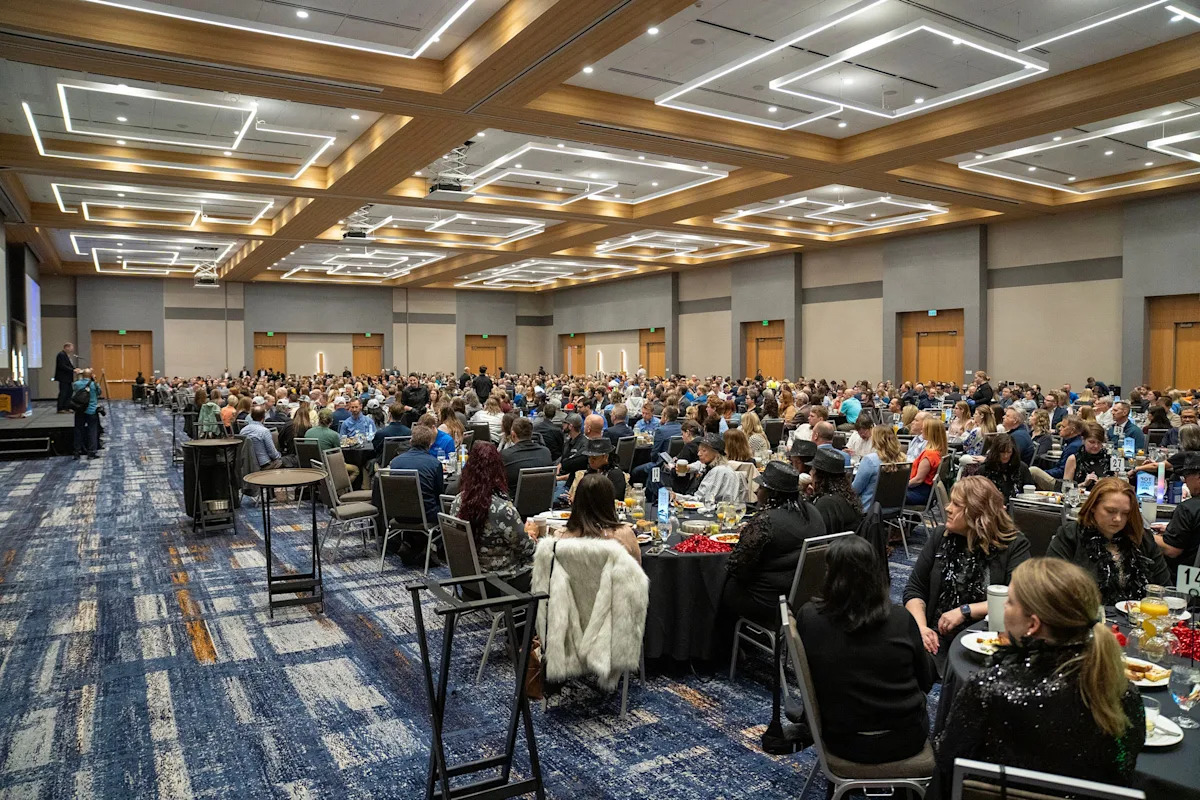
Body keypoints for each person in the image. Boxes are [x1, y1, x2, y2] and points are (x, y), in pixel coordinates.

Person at [934, 559, 1145, 788]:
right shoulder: (1122, 695)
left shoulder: (989, 690)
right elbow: (1123, 775)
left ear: (1032, 625)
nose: (1003, 607)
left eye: (1009, 602)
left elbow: (948, 765)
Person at [798, 536, 936, 764]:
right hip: (905, 740)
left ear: (830, 576)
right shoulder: (901, 619)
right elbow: (926, 681)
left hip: (842, 740)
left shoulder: (809, 617)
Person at [903, 476, 1031, 664]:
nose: (948, 508)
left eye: (956, 504)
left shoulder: (1013, 545)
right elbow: (915, 589)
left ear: (978, 512)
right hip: (936, 637)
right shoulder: (940, 537)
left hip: (986, 639)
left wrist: (965, 611)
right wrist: (921, 628)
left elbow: (1018, 599)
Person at [721, 462, 824, 631]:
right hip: (804, 595)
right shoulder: (813, 512)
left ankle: (718, 642)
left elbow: (737, 567)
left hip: (768, 600)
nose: (756, 491)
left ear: (773, 493)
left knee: (720, 584)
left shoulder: (766, 521)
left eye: (761, 487)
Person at [1046, 477, 1171, 604]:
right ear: (1093, 507)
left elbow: (1165, 591)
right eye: (1110, 511)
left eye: (1125, 513)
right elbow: (1051, 587)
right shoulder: (1070, 535)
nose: (1118, 519)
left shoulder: (1142, 539)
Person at [450, 442, 535, 589]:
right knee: (551, 561)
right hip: (502, 583)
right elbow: (527, 549)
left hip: (468, 582)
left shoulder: (457, 501)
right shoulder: (502, 510)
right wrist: (531, 534)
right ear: (499, 470)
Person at [535, 472, 641, 564]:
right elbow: (637, 573)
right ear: (610, 503)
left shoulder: (560, 537)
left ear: (577, 501)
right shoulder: (625, 535)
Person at [388, 424, 445, 525]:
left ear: (411, 441)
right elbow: (439, 494)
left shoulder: (395, 462)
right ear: (430, 444)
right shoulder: (435, 464)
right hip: (427, 516)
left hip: (399, 515)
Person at [671, 433, 743, 507]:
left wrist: (676, 496)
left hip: (717, 510)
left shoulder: (718, 471)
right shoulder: (713, 465)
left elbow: (701, 500)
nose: (699, 454)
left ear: (716, 453)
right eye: (699, 450)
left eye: (704, 450)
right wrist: (688, 468)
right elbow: (699, 465)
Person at [1156, 451, 1200, 569]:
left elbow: (1172, 550)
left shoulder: (1187, 508)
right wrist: (1175, 529)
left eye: (1186, 477)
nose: (1185, 481)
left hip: (1184, 575)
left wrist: (1143, 534)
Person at [807, 450, 863, 534]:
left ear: (819, 476)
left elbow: (816, 533)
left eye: (812, 470)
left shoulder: (826, 503)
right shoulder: (847, 496)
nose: (810, 473)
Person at [852, 425, 906, 509]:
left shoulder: (870, 460)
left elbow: (855, 490)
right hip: (894, 508)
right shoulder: (903, 459)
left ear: (875, 440)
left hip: (868, 509)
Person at [501, 417, 553, 495]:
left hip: (512, 500)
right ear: (531, 434)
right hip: (543, 498)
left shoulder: (505, 455)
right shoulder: (545, 452)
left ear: (513, 434)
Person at [1029, 416, 1084, 490]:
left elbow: (1061, 472)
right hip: (1061, 478)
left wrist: (1044, 472)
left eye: (1063, 427)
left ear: (1072, 430)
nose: (1060, 428)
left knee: (1033, 471)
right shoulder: (1073, 443)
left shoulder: (1073, 446)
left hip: (1062, 484)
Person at [975, 432, 1033, 501]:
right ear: (996, 452)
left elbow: (1030, 493)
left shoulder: (1022, 468)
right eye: (1002, 452)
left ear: (1013, 452)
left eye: (1009, 452)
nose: (1005, 456)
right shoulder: (984, 470)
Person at [566, 437, 626, 503]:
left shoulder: (615, 474)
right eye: (589, 457)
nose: (590, 461)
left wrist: (581, 501)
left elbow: (614, 499)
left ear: (606, 457)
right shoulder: (589, 473)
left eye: (594, 458)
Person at [906, 417, 946, 506]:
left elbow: (918, 480)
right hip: (926, 493)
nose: (921, 431)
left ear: (930, 432)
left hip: (918, 493)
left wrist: (902, 487)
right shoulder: (939, 452)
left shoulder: (929, 454)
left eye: (923, 429)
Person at [1062, 421, 1112, 489]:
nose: (1096, 446)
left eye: (1099, 442)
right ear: (1083, 439)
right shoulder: (1073, 459)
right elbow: (1065, 489)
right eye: (1092, 442)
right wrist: (1084, 484)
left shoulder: (1109, 458)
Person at [71, 368, 102, 459]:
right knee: (92, 431)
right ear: (91, 375)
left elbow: (74, 390)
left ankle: (77, 451)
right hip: (91, 410)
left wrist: (78, 376)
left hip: (79, 410)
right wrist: (95, 380)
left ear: (82, 375)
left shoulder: (77, 384)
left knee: (78, 430)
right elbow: (99, 393)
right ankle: (91, 452)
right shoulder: (94, 384)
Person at [242, 406, 283, 470]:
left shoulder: (243, 430)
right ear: (263, 417)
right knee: (287, 461)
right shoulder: (264, 431)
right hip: (265, 465)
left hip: (247, 464)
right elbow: (272, 453)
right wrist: (280, 455)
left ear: (251, 416)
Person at [55, 342, 76, 413]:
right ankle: (60, 408)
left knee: (69, 392)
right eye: (71, 348)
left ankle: (67, 407)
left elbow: (69, 365)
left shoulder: (67, 355)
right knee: (63, 392)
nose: (72, 349)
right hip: (63, 377)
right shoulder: (61, 355)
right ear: (66, 347)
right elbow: (62, 366)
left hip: (68, 377)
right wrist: (73, 370)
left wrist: (75, 369)